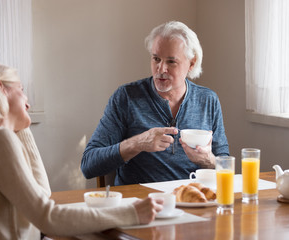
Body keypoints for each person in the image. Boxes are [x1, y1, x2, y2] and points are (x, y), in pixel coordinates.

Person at [0, 62, 162, 239]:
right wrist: (131, 213)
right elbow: (48, 218)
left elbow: (42, 197)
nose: (28, 102)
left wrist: (22, 127)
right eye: (21, 89)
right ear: (1, 89)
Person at [81, 21, 229, 185]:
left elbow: (226, 168)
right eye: (156, 59)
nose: (161, 69)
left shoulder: (208, 100)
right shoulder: (127, 98)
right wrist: (138, 143)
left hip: (191, 200)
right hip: (140, 203)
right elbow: (88, 165)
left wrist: (208, 160)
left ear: (191, 63)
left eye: (171, 62)